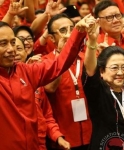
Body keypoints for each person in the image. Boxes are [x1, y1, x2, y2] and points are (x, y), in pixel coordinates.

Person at [0, 13, 91, 149]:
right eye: (3, 44)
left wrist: (77, 33)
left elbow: (59, 64)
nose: (11, 49)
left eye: (13, 43)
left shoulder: (26, 71)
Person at [82, 21, 124, 149]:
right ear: (101, 71)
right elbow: (90, 70)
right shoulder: (97, 90)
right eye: (114, 68)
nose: (120, 72)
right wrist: (92, 42)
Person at [43, 13, 92, 150]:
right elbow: (50, 88)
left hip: (91, 134)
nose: (70, 34)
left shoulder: (86, 58)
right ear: (52, 38)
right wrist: (62, 55)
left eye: (72, 28)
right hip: (63, 138)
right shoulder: (45, 62)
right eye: (63, 30)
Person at [15, 37, 70, 150]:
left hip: (40, 143)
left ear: (26, 52)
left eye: (19, 48)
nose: (14, 52)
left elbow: (47, 116)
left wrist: (57, 136)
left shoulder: (37, 84)